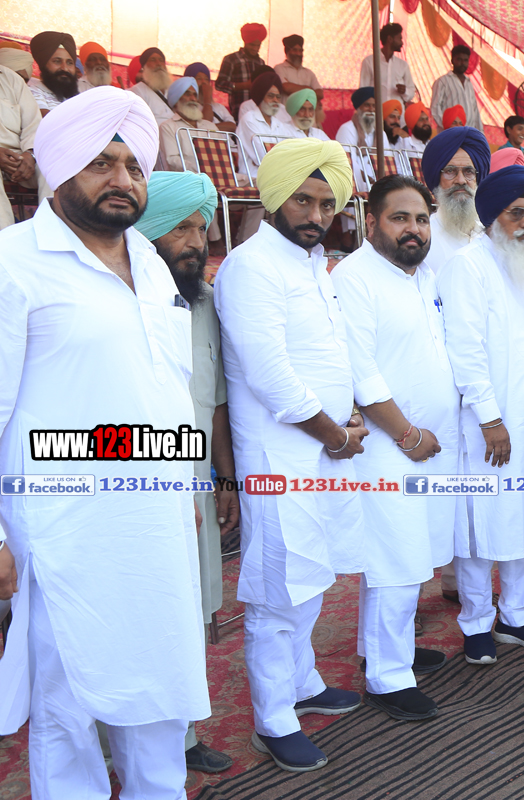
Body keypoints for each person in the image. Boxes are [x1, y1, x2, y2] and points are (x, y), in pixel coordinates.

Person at [0, 86, 210, 799]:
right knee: (67, 703)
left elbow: (168, 385)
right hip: (64, 527)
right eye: (101, 163)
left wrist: (183, 484)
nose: (122, 179)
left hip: (153, 519)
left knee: (159, 682)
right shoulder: (14, 263)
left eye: (133, 165)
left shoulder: (148, 261)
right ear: (59, 168)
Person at [212, 138, 365, 772]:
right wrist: (335, 433)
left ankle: (303, 682)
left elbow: (325, 356)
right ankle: (273, 718)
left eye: (326, 203)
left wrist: (345, 418)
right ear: (274, 198)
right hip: (281, 457)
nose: (315, 214)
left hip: (323, 450)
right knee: (278, 591)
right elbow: (271, 376)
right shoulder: (252, 267)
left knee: (311, 574)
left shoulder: (310, 262)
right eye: (302, 200)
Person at [332, 175, 456, 718]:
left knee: (409, 554)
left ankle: (384, 649)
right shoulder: (355, 277)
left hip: (427, 446)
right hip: (390, 444)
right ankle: (387, 677)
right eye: (400, 218)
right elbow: (360, 371)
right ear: (371, 222)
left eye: (422, 219)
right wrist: (406, 434)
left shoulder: (424, 275)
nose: (414, 229)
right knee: (396, 560)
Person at [133, 171, 240, 774]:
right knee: (138, 608)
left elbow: (215, 401)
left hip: (197, 484)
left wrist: (226, 481)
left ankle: (182, 732)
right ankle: (117, 742)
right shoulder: (120, 304)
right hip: (135, 487)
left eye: (202, 228)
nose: (196, 242)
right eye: (181, 228)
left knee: (195, 605)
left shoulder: (204, 304)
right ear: (147, 231)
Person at [438, 164, 524, 664]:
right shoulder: (468, 266)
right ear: (492, 218)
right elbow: (464, 350)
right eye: (516, 213)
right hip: (488, 425)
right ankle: (475, 621)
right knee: (482, 522)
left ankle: (518, 614)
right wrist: (490, 419)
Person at [420, 125, 491, 273]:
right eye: (450, 171)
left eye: (469, 171)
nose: (461, 180)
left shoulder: (488, 236)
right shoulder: (423, 237)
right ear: (437, 179)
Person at [0, 63, 42, 230]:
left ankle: (55, 234)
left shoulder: (11, 79)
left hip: (20, 156)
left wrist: (30, 155)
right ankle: (5, 241)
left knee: (55, 167)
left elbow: (34, 125)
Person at [157, 77, 222, 172]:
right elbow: (172, 161)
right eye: (187, 94)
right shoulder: (168, 127)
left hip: (215, 175)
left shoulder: (210, 126)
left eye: (195, 95)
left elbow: (223, 158)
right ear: (176, 100)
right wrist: (202, 169)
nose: (193, 99)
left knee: (246, 179)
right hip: (186, 178)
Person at [235, 71, 287, 179]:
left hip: (277, 177)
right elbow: (263, 157)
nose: (275, 100)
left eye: (278, 97)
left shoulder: (278, 124)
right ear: (260, 97)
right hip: (253, 178)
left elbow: (289, 154)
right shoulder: (249, 119)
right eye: (270, 96)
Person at [217, 23, 268, 122]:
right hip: (239, 113)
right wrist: (243, 85)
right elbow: (220, 84)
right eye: (252, 45)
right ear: (245, 42)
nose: (255, 48)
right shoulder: (231, 59)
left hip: (259, 114)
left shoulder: (261, 63)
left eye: (258, 45)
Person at [360, 23, 415, 108]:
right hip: (377, 113)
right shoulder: (369, 62)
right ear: (390, 39)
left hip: (397, 114)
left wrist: (404, 91)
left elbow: (411, 92)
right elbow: (363, 91)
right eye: (399, 38)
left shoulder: (403, 65)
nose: (402, 43)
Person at [431, 45, 482, 133]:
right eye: (459, 59)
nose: (462, 63)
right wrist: (447, 126)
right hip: (449, 133)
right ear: (452, 60)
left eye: (465, 60)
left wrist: (480, 133)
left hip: (468, 133)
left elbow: (475, 111)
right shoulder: (442, 82)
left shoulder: (469, 83)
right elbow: (435, 108)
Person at [27, 31, 79, 114]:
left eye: (69, 63)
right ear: (43, 65)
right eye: (57, 61)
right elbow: (48, 120)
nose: (65, 68)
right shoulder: (32, 93)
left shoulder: (76, 99)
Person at [184, 62, 236, 131]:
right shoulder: (186, 107)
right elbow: (205, 123)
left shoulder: (219, 107)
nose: (204, 82)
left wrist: (209, 128)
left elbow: (232, 126)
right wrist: (207, 98)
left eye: (206, 79)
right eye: (199, 78)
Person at [128, 47, 174, 125]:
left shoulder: (172, 90)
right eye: (153, 60)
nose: (158, 63)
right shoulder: (137, 91)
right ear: (144, 66)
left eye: (161, 60)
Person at [275, 34, 323, 109]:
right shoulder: (279, 68)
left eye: (300, 50)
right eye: (294, 50)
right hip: (286, 113)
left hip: (306, 114)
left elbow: (320, 94)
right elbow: (286, 88)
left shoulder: (309, 73)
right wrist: (309, 89)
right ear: (287, 51)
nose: (298, 54)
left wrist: (294, 87)